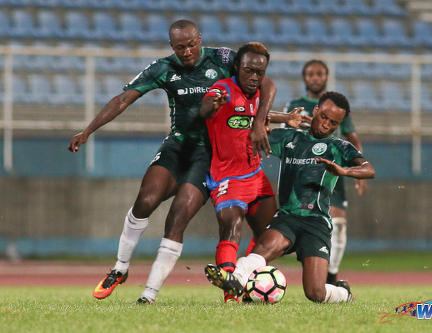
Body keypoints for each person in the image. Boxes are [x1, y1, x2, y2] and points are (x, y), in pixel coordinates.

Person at [67, 20, 276, 304]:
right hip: (177, 147)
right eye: (180, 47)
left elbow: (264, 80)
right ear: (172, 47)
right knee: (146, 199)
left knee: (176, 219)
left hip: (209, 156)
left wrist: (261, 122)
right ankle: (120, 269)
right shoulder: (164, 67)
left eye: (192, 44)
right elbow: (123, 100)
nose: (187, 51)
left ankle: (148, 296)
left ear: (200, 39)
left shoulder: (223, 58)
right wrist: (88, 130)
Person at [205, 91, 375, 303]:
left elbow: (369, 169)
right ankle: (234, 278)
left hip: (316, 222)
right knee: (262, 250)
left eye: (333, 123)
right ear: (315, 110)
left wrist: (345, 172)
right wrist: (279, 119)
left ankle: (343, 293)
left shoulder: (339, 147)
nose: (326, 125)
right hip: (287, 217)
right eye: (323, 117)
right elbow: (253, 129)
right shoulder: (289, 137)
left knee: (315, 293)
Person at [200, 42, 303, 303]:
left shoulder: (257, 95)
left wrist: (285, 118)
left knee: (267, 233)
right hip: (227, 177)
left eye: (260, 73)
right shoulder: (223, 89)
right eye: (248, 71)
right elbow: (205, 108)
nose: (254, 77)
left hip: (256, 177)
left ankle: (246, 283)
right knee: (232, 226)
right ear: (236, 67)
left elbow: (257, 111)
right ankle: (229, 287)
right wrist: (213, 104)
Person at [274, 60, 366, 285]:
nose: (315, 78)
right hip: (303, 168)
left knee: (338, 223)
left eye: (319, 74)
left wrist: (355, 169)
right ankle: (316, 267)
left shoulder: (337, 104)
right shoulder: (294, 104)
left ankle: (332, 275)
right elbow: (285, 135)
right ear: (304, 78)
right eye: (310, 74)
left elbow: (352, 137)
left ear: (326, 77)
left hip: (331, 169)